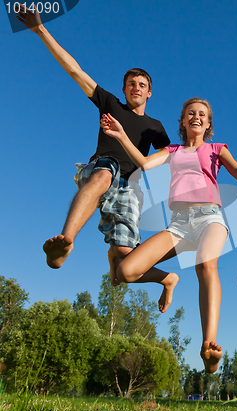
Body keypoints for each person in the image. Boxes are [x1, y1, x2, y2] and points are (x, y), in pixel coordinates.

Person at [16, 7, 177, 308]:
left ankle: (166, 279)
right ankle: (66, 243)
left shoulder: (155, 127)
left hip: (130, 187)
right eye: (131, 83)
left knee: (127, 263)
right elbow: (75, 70)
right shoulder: (110, 103)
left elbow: (169, 158)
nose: (136, 88)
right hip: (106, 165)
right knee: (102, 175)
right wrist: (40, 29)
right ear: (123, 89)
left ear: (150, 93)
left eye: (142, 85)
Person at [100, 97, 237, 373]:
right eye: (191, 113)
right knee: (125, 271)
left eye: (202, 114)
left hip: (209, 218)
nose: (196, 117)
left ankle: (208, 345)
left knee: (206, 264)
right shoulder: (173, 150)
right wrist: (120, 134)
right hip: (178, 225)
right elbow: (143, 163)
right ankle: (168, 279)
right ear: (182, 121)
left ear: (208, 123)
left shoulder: (217, 149)